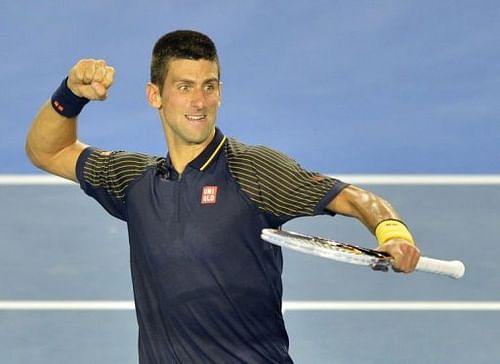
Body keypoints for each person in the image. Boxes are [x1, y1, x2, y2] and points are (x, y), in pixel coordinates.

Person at [26, 30, 420, 363]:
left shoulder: (254, 170)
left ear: (220, 92)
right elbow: (49, 151)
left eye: (209, 86)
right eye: (184, 87)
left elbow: (352, 198)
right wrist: (69, 95)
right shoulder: (135, 180)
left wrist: (393, 233)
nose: (200, 102)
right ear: (155, 95)